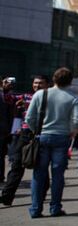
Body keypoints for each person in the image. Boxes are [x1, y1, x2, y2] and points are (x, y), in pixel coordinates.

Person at [26, 67, 78, 218]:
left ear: (54, 79)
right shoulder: (72, 97)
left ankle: (35, 209)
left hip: (42, 136)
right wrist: (73, 131)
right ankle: (55, 207)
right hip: (62, 138)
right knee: (58, 175)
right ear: (70, 81)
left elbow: (29, 118)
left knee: (39, 174)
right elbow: (77, 120)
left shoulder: (40, 94)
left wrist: (36, 130)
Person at [1, 76, 48, 206]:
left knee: (41, 166)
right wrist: (5, 89)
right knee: (17, 165)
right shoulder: (26, 96)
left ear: (47, 85)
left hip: (42, 134)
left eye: (41, 83)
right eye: (35, 83)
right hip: (25, 134)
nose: (37, 85)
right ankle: (6, 197)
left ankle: (41, 195)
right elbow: (8, 99)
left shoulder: (49, 98)